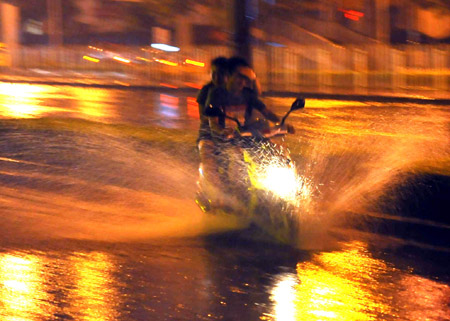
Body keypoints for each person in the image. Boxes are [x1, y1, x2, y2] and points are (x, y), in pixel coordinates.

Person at [201, 57, 281, 209]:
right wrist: (222, 130)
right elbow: (212, 122)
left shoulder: (248, 95)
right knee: (235, 162)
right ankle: (230, 200)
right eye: (239, 77)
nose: (242, 82)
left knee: (270, 155)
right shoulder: (216, 93)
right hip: (223, 139)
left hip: (243, 137)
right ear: (229, 76)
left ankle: (269, 195)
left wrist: (281, 122)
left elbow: (266, 111)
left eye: (246, 79)